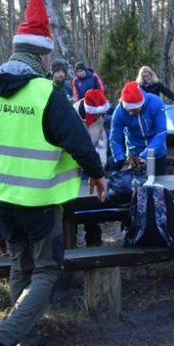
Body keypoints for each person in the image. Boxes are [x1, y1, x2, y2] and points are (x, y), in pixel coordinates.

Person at [0, 0, 107, 346]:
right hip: (38, 201)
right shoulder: (46, 93)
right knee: (47, 270)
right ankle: (4, 338)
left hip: (0, 199)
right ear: (43, 55)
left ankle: (28, 342)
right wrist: (98, 177)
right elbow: (79, 141)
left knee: (21, 265)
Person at [73, 88, 111, 246]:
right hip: (72, 166)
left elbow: (101, 142)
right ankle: (70, 237)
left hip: (91, 164)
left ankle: (93, 236)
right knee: (72, 201)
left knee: (92, 199)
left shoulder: (99, 116)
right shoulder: (71, 115)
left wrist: (99, 166)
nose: (100, 117)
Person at [109, 81, 168, 175]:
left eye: (134, 110)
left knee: (158, 186)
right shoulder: (119, 112)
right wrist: (120, 159)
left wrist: (146, 155)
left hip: (157, 153)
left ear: (141, 104)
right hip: (134, 155)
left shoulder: (155, 103)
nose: (130, 113)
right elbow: (115, 139)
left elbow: (161, 131)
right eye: (128, 110)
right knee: (134, 187)